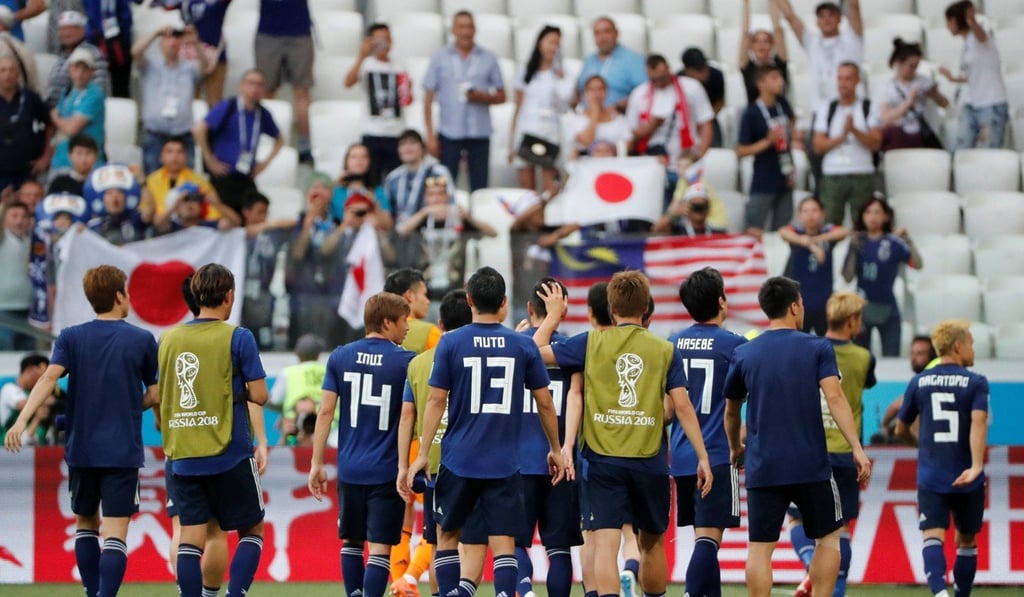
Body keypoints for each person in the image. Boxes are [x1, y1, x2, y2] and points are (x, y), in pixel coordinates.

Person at [533, 271, 711, 597]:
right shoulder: (665, 350)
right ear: (646, 309)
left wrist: (555, 314)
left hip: (603, 460)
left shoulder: (590, 342)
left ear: (611, 309)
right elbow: (683, 407)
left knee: (605, 541)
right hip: (650, 460)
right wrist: (703, 457)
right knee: (652, 541)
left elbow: (536, 349)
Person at [404, 266, 565, 597]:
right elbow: (545, 404)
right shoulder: (522, 346)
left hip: (458, 459)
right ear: (505, 302)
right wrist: (556, 448)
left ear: (469, 300)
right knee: (504, 544)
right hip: (505, 462)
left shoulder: (450, 343)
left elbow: (436, 400)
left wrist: (422, 453)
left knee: (447, 537)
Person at [5, 265, 159, 597]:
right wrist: (138, 408)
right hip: (122, 452)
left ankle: (92, 593)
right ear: (120, 296)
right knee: (115, 534)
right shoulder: (142, 339)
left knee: (85, 526)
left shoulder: (71, 337)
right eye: (127, 291)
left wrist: (21, 421)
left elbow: (48, 378)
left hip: (82, 448)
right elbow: (156, 393)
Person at [723, 276, 871, 597]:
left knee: (760, 548)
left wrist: (736, 447)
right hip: (811, 465)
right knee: (829, 539)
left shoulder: (745, 353)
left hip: (764, 465)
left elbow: (732, 412)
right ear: (793, 306)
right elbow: (835, 398)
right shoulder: (818, 347)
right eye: (801, 302)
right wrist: (856, 447)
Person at [157, 263, 269, 597]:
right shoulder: (238, 336)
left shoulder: (169, 338)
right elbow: (260, 395)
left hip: (183, 451)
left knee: (190, 537)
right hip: (229, 451)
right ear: (229, 295)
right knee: (251, 531)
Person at [308, 292, 414, 597]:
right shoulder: (406, 361)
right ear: (387, 322)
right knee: (380, 549)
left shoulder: (340, 356)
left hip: (351, 468)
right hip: (386, 470)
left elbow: (325, 411)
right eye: (404, 320)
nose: (407, 326)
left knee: (352, 542)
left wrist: (317, 463)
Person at [787, 291, 877, 597]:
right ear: (852, 321)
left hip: (811, 450)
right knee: (840, 531)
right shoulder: (864, 357)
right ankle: (835, 589)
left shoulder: (808, 349)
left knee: (797, 518)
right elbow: (862, 386)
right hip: (845, 453)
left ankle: (811, 564)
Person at [896, 320, 988, 597]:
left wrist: (919, 445)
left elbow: (900, 428)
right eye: (971, 343)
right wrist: (976, 466)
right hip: (966, 476)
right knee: (967, 541)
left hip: (931, 475)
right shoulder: (976, 382)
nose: (973, 349)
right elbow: (979, 421)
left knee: (932, 535)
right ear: (958, 346)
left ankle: (939, 594)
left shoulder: (919, 381)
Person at [669, 268, 747, 597]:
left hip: (681, 455)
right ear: (721, 301)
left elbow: (667, 407)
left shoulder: (672, 343)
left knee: (702, 538)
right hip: (716, 453)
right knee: (709, 539)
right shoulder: (736, 346)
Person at [394, 289, 473, 597]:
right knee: (483, 540)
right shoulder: (476, 357)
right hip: (473, 459)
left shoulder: (418, 364)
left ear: (440, 323)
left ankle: (429, 588)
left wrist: (404, 464)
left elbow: (406, 417)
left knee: (440, 539)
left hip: (433, 463)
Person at [513, 277, 581, 597]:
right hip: (561, 460)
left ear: (529, 308)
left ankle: (524, 589)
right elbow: (578, 398)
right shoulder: (572, 347)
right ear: (563, 308)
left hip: (516, 461)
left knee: (514, 544)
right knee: (559, 549)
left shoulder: (513, 345)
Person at [423, 10, 505, 193]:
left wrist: (481, 97)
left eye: (469, 27)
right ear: (453, 30)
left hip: (480, 133)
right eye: (461, 27)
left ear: (475, 30)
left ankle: (475, 222)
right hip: (449, 133)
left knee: (480, 188)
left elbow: (502, 95)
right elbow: (427, 99)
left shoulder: (488, 57)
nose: (465, 32)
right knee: (444, 186)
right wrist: (430, 136)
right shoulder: (439, 57)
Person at [285, 173, 367, 348]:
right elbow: (298, 254)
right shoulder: (297, 221)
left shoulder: (337, 221)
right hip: (304, 294)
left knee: (333, 344)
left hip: (332, 291)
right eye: (314, 187)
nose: (318, 192)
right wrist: (308, 223)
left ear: (331, 193)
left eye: (323, 188)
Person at [626, 54, 714, 205]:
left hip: (686, 161)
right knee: (659, 208)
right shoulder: (639, 94)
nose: (658, 82)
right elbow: (630, 135)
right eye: (654, 79)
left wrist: (699, 155)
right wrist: (651, 126)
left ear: (668, 68)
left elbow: (706, 123)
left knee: (687, 207)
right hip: (655, 163)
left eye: (662, 77)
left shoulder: (691, 87)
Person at [194, 68, 283, 214]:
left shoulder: (262, 113)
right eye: (251, 83)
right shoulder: (228, 106)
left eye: (259, 84)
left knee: (254, 211)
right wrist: (209, 159)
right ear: (242, 85)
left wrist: (265, 163)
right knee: (225, 217)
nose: (254, 88)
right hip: (223, 175)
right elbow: (199, 129)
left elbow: (280, 139)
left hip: (246, 175)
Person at [842, 196, 922, 357]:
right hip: (861, 310)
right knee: (860, 360)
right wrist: (852, 250)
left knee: (891, 358)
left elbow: (917, 264)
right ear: (862, 216)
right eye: (868, 212)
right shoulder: (858, 242)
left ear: (886, 216)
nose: (872, 217)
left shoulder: (894, 242)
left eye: (877, 212)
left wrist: (908, 240)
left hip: (888, 309)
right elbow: (848, 277)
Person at [395, 175, 497, 299]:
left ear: (448, 196)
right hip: (424, 288)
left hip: (455, 286)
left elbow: (493, 233)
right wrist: (424, 212)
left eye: (440, 194)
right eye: (431, 195)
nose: (436, 199)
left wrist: (469, 218)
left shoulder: (458, 218)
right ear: (425, 198)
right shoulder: (421, 219)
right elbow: (401, 232)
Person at [813, 63, 881, 226]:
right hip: (833, 173)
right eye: (840, 78)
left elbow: (876, 143)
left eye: (848, 78)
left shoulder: (868, 107)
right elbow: (818, 146)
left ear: (857, 80)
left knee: (863, 225)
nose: (843, 83)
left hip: (861, 172)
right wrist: (842, 135)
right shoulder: (827, 108)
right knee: (830, 224)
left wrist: (855, 131)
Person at [132, 24, 206, 175]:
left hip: (183, 134)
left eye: (176, 39)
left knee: (186, 181)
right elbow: (135, 52)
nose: (172, 43)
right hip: (155, 133)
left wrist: (195, 42)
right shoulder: (150, 66)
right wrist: (156, 32)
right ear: (160, 44)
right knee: (153, 179)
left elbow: (205, 65)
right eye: (167, 39)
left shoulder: (189, 68)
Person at [509, 25, 573, 194]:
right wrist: (511, 143)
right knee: (526, 187)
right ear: (540, 43)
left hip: (549, 130)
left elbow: (565, 105)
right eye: (550, 42)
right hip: (527, 128)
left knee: (549, 185)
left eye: (557, 43)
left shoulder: (563, 73)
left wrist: (560, 79)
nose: (553, 47)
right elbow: (518, 106)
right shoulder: (526, 71)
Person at [939, 1, 1008, 150]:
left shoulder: (981, 37)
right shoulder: (967, 45)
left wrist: (972, 21)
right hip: (972, 103)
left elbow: (980, 35)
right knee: (962, 147)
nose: (947, 26)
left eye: (949, 21)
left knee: (989, 150)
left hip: (991, 103)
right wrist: (952, 78)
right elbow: (970, 75)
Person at [344, 23, 409, 180]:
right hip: (372, 131)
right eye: (379, 39)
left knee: (396, 178)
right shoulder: (366, 64)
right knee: (371, 178)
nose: (384, 43)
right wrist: (362, 55)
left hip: (396, 132)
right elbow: (348, 82)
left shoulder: (400, 66)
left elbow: (406, 99)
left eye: (387, 39)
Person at [738, 64, 796, 236]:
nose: (780, 82)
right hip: (763, 179)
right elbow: (741, 151)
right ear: (761, 83)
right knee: (755, 227)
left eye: (780, 78)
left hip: (785, 175)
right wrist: (767, 141)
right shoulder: (751, 113)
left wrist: (791, 134)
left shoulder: (782, 103)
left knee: (782, 229)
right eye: (774, 78)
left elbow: (792, 119)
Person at [776, 0, 863, 114]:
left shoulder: (852, 39)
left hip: (852, 111)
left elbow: (854, 6)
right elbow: (790, 16)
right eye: (821, 16)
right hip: (821, 111)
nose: (826, 19)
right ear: (817, 21)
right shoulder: (811, 42)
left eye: (831, 15)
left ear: (840, 19)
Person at [779, 196, 848, 335]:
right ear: (799, 215)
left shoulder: (827, 233)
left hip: (825, 302)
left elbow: (843, 231)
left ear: (823, 213)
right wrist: (810, 245)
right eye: (805, 211)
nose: (810, 215)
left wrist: (816, 240)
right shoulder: (796, 233)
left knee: (826, 346)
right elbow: (783, 232)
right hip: (798, 304)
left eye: (814, 210)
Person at [255, 0, 313, 163]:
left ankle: (305, 145)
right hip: (268, 30)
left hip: (299, 30)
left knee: (301, 91)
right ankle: (265, 139)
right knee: (266, 90)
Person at [239, 190, 292, 350]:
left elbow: (292, 222)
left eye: (266, 213)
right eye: (260, 212)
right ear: (246, 212)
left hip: (263, 292)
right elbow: (241, 232)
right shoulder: (235, 234)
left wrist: (269, 226)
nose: (264, 216)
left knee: (264, 336)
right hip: (240, 293)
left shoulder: (271, 235)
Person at [141, 136, 232, 224]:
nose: (175, 156)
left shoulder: (198, 181)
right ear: (161, 157)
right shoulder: (151, 181)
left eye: (180, 152)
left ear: (186, 157)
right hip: (161, 228)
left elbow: (213, 212)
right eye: (169, 152)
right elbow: (145, 213)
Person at [879, 39, 949, 151]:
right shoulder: (888, 87)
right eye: (911, 66)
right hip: (900, 135)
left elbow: (945, 104)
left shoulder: (924, 81)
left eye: (916, 66)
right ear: (899, 63)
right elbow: (885, 117)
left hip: (922, 134)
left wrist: (934, 94)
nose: (914, 70)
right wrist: (909, 102)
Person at [382, 129, 455, 234]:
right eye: (403, 144)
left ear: (423, 147)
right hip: (400, 234)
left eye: (412, 142)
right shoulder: (393, 178)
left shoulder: (437, 172)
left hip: (429, 230)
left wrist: (424, 213)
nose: (408, 147)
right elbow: (387, 213)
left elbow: (449, 205)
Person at [0, 55, 51, 194]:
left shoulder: (30, 98)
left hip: (27, 171)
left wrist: (46, 156)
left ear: (18, 75)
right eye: (3, 70)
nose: (7, 74)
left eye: (11, 70)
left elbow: (50, 124)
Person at [50, 46, 105, 171]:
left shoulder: (95, 94)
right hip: (61, 160)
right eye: (76, 67)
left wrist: (55, 118)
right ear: (70, 68)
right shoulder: (67, 91)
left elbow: (71, 128)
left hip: (87, 164)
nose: (80, 73)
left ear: (92, 72)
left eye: (85, 68)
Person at [576, 16, 646, 111]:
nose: (602, 37)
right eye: (597, 33)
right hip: (587, 118)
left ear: (616, 33)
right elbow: (579, 91)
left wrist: (622, 106)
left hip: (619, 119)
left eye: (607, 31)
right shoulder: (589, 61)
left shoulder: (634, 60)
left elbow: (646, 93)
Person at [269, 333, 326, 445]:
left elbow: (274, 400)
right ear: (318, 354)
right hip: (326, 429)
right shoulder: (328, 371)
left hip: (294, 431)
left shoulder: (288, 373)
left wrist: (293, 408)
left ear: (297, 353)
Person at [47, 10, 110, 108]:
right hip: (56, 110)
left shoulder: (92, 53)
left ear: (83, 30)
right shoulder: (62, 55)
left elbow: (99, 88)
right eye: (63, 29)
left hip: (79, 111)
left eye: (72, 29)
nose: (66, 33)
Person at [179, 0, 231, 106]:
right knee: (189, 100)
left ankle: (214, 123)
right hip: (190, 53)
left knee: (214, 101)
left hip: (216, 52)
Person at [566, 75, 633, 157]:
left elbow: (628, 145)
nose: (596, 94)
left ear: (606, 92)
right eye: (591, 89)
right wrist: (595, 112)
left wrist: (607, 150)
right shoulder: (576, 120)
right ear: (585, 93)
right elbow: (586, 141)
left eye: (600, 89)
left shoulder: (619, 120)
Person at [84, 163, 149, 245]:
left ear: (125, 197)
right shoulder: (93, 225)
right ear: (102, 199)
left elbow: (149, 210)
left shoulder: (135, 218)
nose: (115, 198)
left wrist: (142, 182)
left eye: (119, 192)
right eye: (109, 193)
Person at [739, 0, 789, 104]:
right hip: (756, 118)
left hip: (779, 116)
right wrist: (746, 4)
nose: (761, 45)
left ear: (772, 45)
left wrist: (773, 2)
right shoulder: (748, 67)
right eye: (756, 41)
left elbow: (777, 30)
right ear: (751, 46)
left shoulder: (779, 64)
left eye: (766, 41)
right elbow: (745, 33)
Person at [82, 0, 134, 98]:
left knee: (120, 88)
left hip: (118, 44)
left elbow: (126, 17)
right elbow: (87, 14)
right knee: (96, 82)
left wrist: (119, 35)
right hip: (95, 42)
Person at [329, 142, 389, 227]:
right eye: (354, 156)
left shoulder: (377, 191)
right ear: (346, 161)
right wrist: (334, 184)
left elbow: (388, 225)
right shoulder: (335, 192)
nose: (359, 160)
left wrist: (375, 207)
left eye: (364, 156)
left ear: (369, 161)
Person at [383, 268, 441, 356]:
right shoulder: (430, 332)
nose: (427, 301)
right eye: (424, 295)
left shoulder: (377, 331)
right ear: (409, 295)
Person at [0, 199, 32, 350]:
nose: (19, 220)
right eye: (14, 215)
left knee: (27, 358)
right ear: (5, 218)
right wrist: (3, 206)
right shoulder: (2, 239)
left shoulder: (33, 241)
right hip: (4, 310)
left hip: (29, 310)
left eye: (24, 216)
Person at [679, 48, 725, 148]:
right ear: (688, 70)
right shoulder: (679, 80)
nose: (705, 72)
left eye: (705, 67)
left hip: (710, 116)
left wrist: (707, 118)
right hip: (686, 119)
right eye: (699, 70)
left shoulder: (716, 75)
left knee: (714, 142)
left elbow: (720, 101)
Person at [0, 353, 49, 442]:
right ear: (29, 370)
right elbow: (22, 404)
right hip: (8, 447)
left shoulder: (32, 394)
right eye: (41, 375)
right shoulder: (9, 388)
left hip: (34, 445)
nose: (43, 380)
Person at [653, 182, 726, 236]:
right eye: (694, 205)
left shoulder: (718, 234)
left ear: (708, 209)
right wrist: (675, 213)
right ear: (686, 207)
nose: (698, 209)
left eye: (702, 205)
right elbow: (656, 229)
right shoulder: (677, 232)